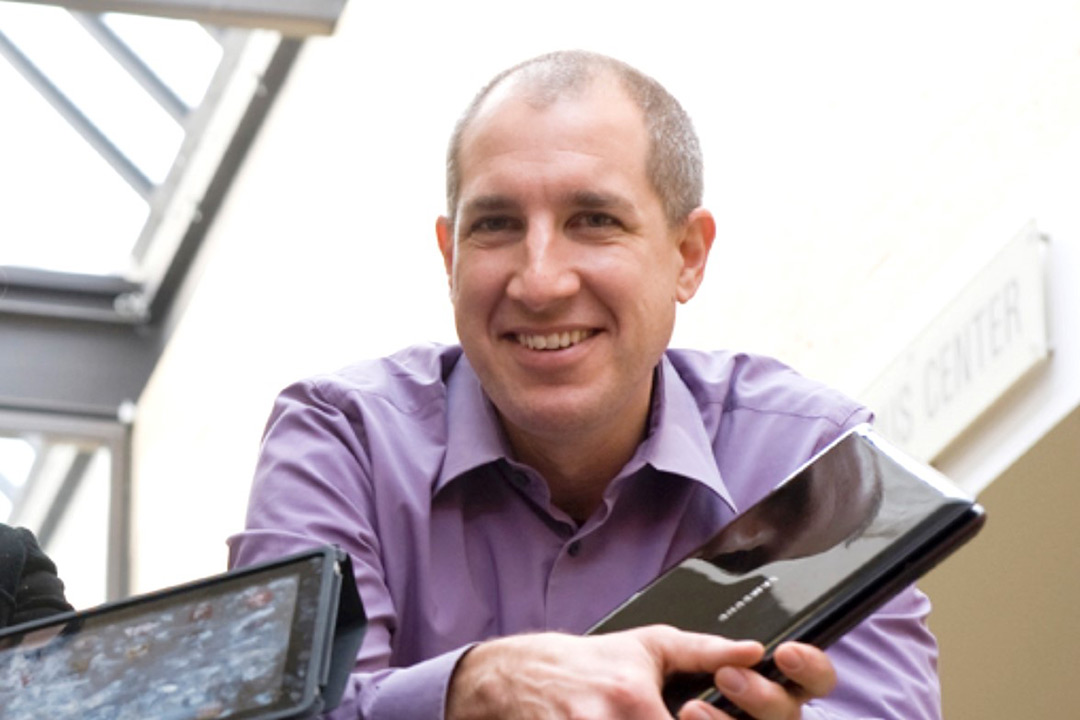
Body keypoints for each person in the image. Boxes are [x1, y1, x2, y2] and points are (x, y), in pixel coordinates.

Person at [229, 50, 941, 719]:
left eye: (594, 221)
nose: (540, 281)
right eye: (497, 225)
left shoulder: (811, 460)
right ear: (450, 256)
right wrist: (476, 687)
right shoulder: (343, 440)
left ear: (687, 256)